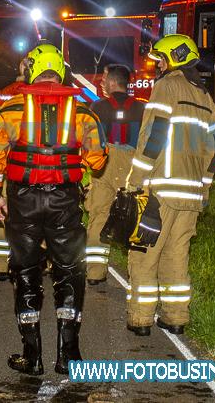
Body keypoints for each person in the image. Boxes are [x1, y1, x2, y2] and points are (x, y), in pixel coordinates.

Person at [0, 43, 107, 375]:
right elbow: (97, 161)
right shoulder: (84, 113)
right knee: (69, 272)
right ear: (61, 70)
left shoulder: (10, 110)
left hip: (23, 201)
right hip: (65, 202)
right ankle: (69, 355)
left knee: (25, 272)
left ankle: (31, 355)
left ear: (33, 69)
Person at [124, 34, 215, 337]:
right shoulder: (206, 98)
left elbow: (153, 135)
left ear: (175, 58)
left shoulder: (166, 87)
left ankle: (140, 319)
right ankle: (176, 316)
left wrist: (135, 179)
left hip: (160, 190)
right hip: (190, 194)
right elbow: (212, 151)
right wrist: (204, 190)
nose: (158, 66)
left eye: (161, 60)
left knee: (144, 254)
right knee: (177, 256)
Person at [84, 64, 145, 285]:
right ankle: (138, 276)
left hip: (105, 163)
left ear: (112, 82)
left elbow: (88, 141)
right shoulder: (141, 109)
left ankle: (95, 274)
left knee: (99, 216)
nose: (102, 83)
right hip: (133, 165)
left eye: (104, 79)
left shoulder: (98, 107)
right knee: (135, 219)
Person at [0, 58, 28, 282]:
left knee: (0, 216)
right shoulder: (40, 94)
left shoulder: (5, 92)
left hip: (7, 159)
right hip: (30, 163)